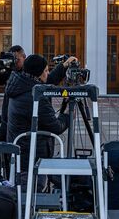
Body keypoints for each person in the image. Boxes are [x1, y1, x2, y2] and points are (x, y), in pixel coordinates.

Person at [5, 54, 70, 188]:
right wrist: (68, 114)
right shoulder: (35, 97)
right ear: (38, 74)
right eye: (46, 70)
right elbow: (56, 127)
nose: (48, 73)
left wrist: (63, 67)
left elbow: (48, 80)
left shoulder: (21, 84)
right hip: (31, 158)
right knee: (31, 195)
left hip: (20, 154)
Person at [0, 45, 76, 142]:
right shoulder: (14, 77)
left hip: (19, 131)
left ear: (24, 57)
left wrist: (64, 66)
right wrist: (3, 62)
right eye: (14, 59)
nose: (15, 62)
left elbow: (49, 79)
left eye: (17, 59)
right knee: (6, 151)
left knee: (10, 151)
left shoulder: (26, 75)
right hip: (12, 129)